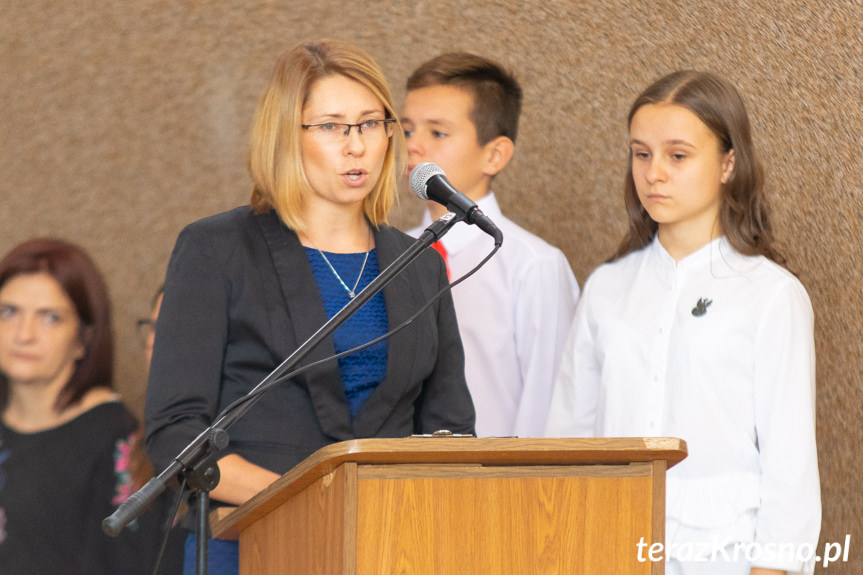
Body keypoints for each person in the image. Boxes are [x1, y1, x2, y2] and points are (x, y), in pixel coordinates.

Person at [144, 39, 475, 575]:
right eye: (331, 126)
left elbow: (450, 429)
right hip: (251, 541)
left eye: (371, 124)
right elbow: (175, 432)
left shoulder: (419, 265)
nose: (356, 146)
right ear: (285, 136)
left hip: (388, 546)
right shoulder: (219, 249)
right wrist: (300, 498)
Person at [545, 71, 820, 574]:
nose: (654, 174)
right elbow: (568, 438)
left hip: (724, 557)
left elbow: (791, 468)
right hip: (607, 547)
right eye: (641, 153)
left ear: (728, 163)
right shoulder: (607, 287)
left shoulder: (772, 295)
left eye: (678, 155)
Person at [403, 52, 579, 438]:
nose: (414, 147)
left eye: (437, 133)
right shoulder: (395, 257)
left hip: (501, 486)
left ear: (494, 154)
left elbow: (550, 404)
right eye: (407, 130)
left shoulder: (533, 265)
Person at [0, 238, 153, 575]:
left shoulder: (113, 435)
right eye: (8, 312)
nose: (23, 334)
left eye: (49, 318)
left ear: (84, 338)